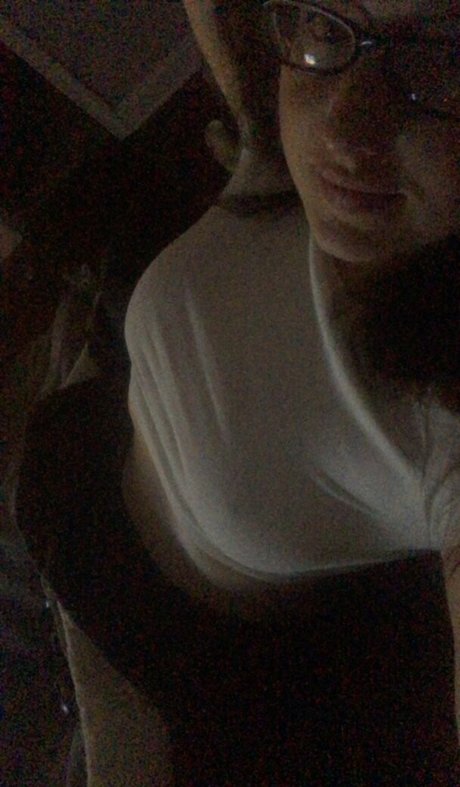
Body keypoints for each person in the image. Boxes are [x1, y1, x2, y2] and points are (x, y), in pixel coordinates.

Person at [16, 1, 460, 784]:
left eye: (443, 57)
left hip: (172, 628)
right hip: (80, 453)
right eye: (327, 23)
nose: (342, 122)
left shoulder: (444, 411)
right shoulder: (292, 172)